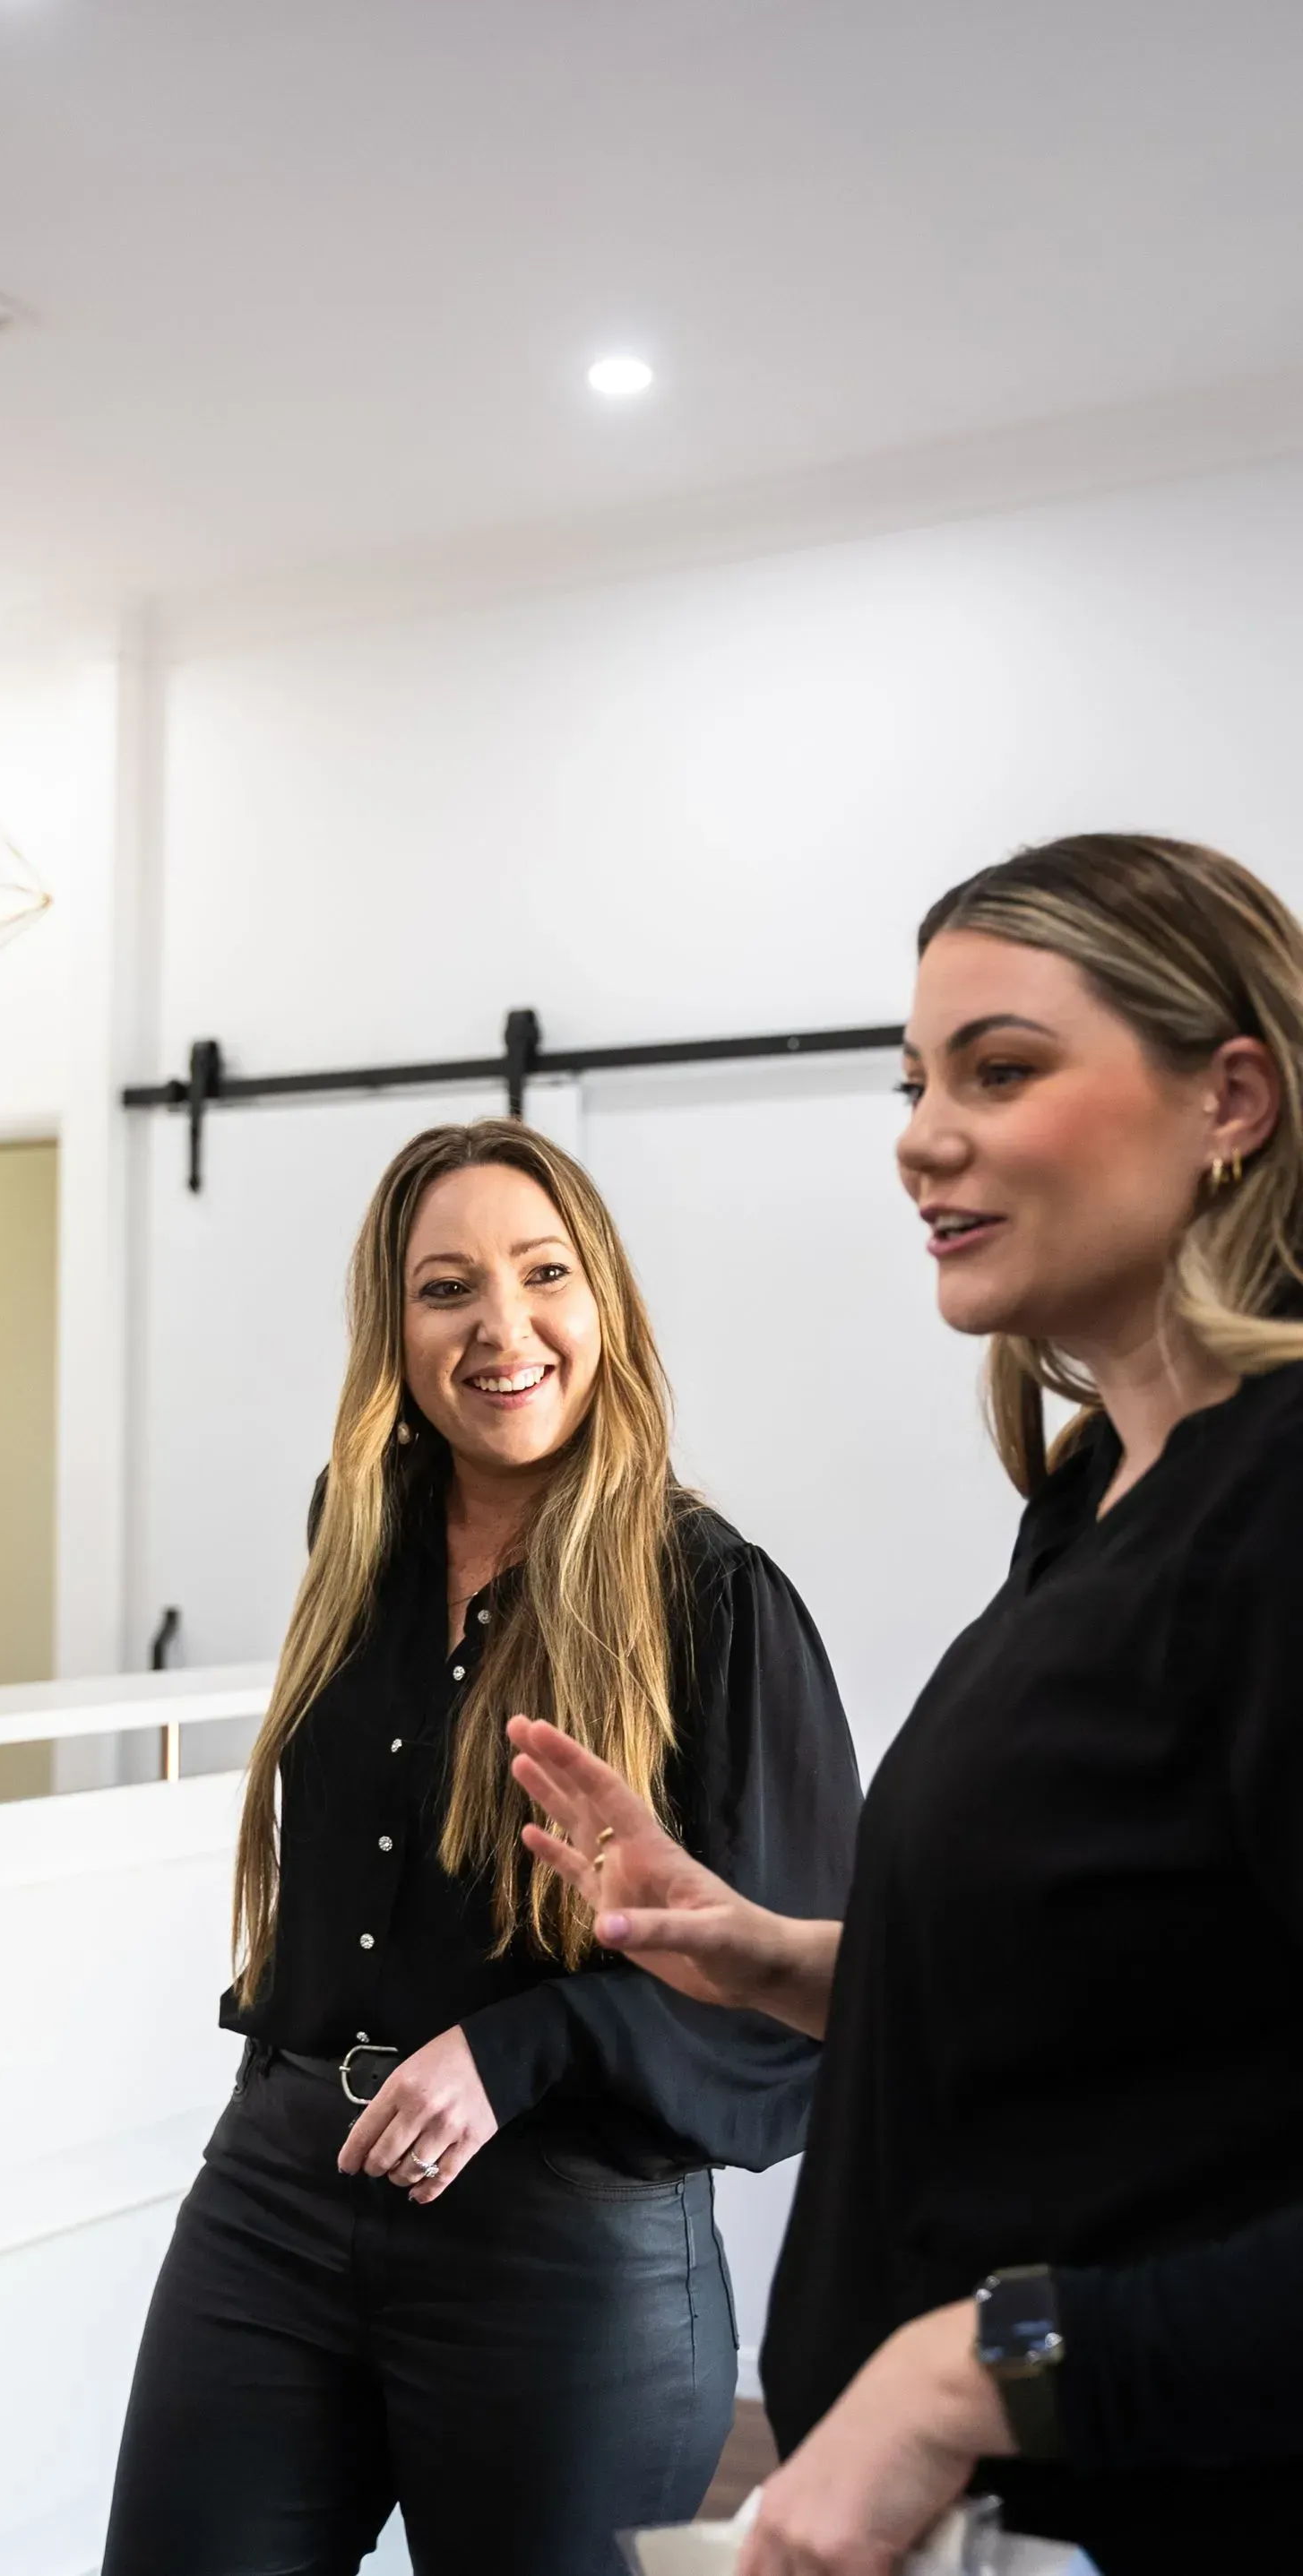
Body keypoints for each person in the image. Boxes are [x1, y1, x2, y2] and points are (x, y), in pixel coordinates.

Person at [510, 833, 1303, 2576]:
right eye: (913, 1079)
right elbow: (1146, 1997)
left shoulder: (1276, 1510)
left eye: (1002, 1071)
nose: (921, 1135)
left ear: (1230, 1096)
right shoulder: (1094, 1499)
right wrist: (770, 1955)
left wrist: (974, 2376)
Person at [100, 1119, 861, 2576]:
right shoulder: (351, 1539)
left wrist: (519, 2047)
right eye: (447, 1287)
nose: (501, 1327)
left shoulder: (714, 1596)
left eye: (542, 1273)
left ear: (605, 1305)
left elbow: (800, 2003)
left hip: (561, 2249)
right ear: (396, 1328)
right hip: (277, 2189)